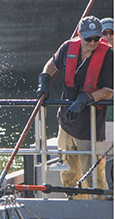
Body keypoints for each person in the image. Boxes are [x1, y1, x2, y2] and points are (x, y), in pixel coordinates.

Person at [36, 16, 113, 199]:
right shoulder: (67, 48)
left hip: (90, 129)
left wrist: (85, 99)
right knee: (68, 173)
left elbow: (108, 91)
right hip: (66, 123)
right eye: (88, 39)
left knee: (93, 175)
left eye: (96, 38)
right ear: (80, 35)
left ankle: (98, 210)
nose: (93, 42)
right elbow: (51, 64)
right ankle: (74, 203)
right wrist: (44, 80)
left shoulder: (108, 56)